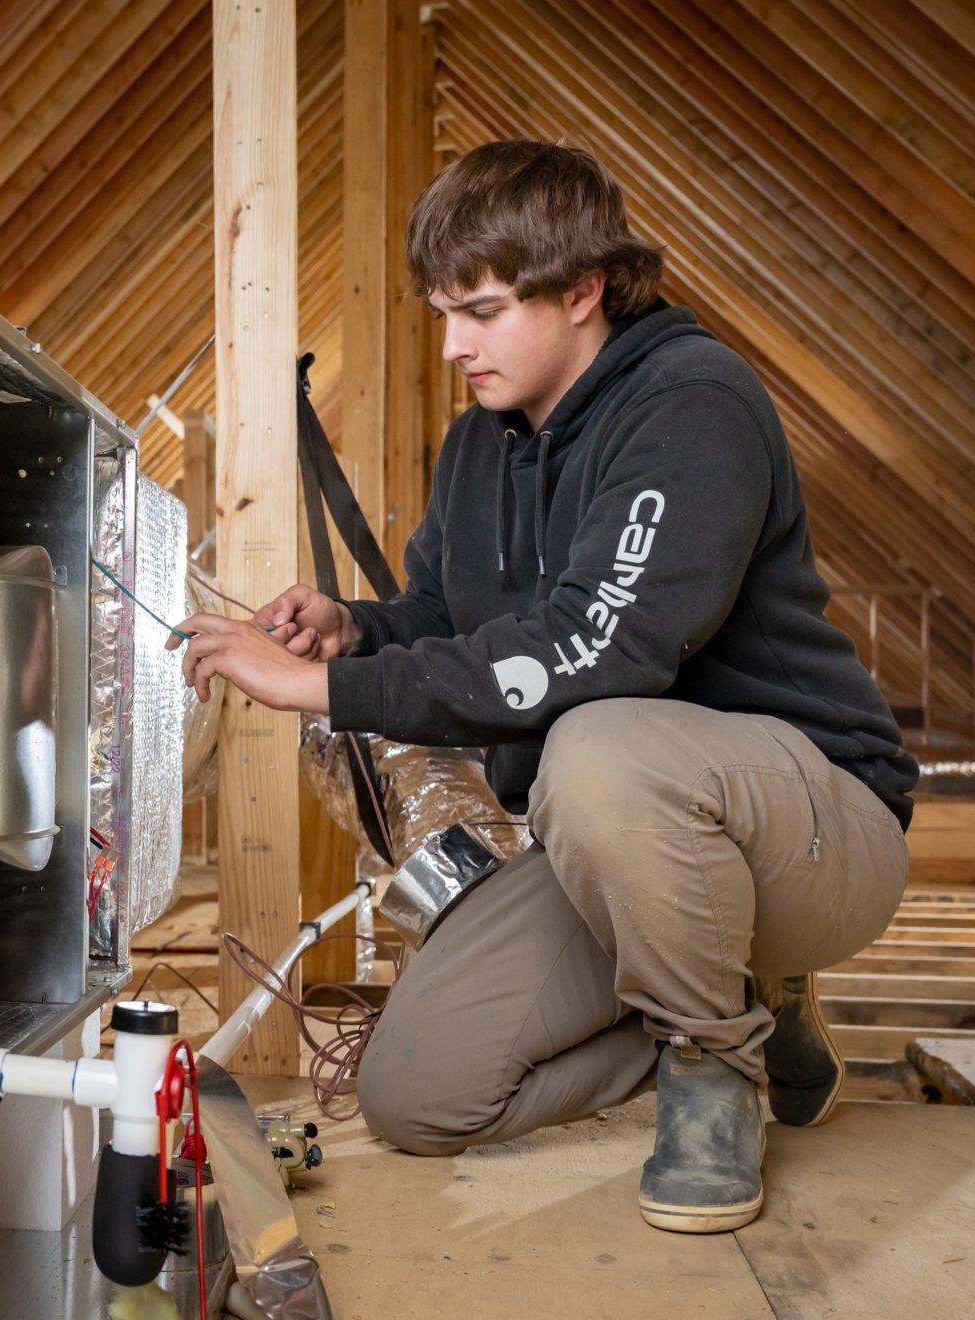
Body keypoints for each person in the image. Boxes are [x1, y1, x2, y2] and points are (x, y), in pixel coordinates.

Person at [166, 139, 916, 1234]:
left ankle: (714, 1068)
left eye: (481, 310)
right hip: (624, 847)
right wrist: (352, 631)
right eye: (440, 313)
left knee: (599, 745)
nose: (456, 345)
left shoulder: (692, 404)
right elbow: (444, 613)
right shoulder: (483, 442)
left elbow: (598, 648)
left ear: (583, 289)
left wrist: (314, 694)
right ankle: (737, 1000)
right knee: (419, 1094)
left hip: (810, 828)